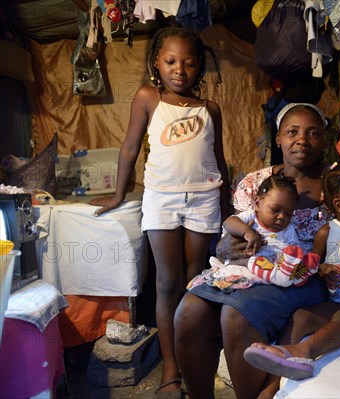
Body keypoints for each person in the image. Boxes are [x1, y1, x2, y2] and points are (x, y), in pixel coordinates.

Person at [90, 26, 229, 398]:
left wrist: (228, 208)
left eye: (187, 62)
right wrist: (118, 196)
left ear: (199, 66)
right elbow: (130, 147)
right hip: (161, 198)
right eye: (170, 61)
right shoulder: (149, 97)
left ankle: (192, 357)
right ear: (157, 62)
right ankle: (171, 369)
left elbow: (220, 162)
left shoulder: (210, 109)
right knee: (167, 283)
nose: (179, 69)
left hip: (204, 199)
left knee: (195, 280)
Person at [174, 103, 331, 399]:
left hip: (298, 277)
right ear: (278, 138)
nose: (302, 140)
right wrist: (228, 246)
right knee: (189, 311)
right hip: (247, 270)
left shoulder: (334, 186)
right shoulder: (254, 183)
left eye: (313, 133)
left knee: (235, 317)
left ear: (324, 138)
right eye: (292, 132)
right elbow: (228, 238)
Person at [242, 159, 340, 381]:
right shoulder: (326, 233)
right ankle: (276, 379)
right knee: (301, 317)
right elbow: (313, 266)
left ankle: (302, 352)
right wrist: (324, 270)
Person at [186, 172, 320, 292]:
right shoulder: (251, 217)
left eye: (289, 213)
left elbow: (294, 251)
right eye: (275, 210)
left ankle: (296, 275)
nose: (282, 217)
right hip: (246, 264)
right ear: (257, 202)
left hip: (273, 271)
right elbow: (229, 222)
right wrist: (247, 232)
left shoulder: (288, 229)